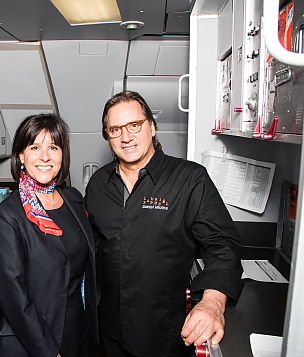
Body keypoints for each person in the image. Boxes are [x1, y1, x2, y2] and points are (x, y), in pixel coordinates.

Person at [85, 91, 244, 357]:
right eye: (115, 129)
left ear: (152, 127)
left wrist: (213, 303)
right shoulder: (99, 184)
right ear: (107, 136)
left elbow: (223, 245)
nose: (126, 137)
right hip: (112, 330)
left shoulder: (189, 179)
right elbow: (93, 246)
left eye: (134, 125)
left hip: (165, 333)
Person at [0, 114, 98, 357]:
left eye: (53, 147)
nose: (45, 157)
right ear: (20, 156)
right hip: (31, 342)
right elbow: (14, 298)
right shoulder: (7, 216)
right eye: (35, 147)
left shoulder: (72, 199)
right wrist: (48, 352)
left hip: (75, 332)